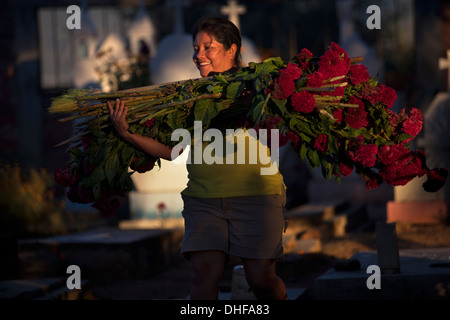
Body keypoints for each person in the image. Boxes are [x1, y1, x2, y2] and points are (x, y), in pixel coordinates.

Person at [108, 17, 288, 300]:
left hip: (256, 197)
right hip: (204, 200)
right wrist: (127, 134)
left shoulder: (257, 87)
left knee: (261, 280)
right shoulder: (187, 97)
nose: (198, 55)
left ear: (232, 50)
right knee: (203, 276)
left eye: (208, 47)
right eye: (196, 48)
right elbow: (174, 152)